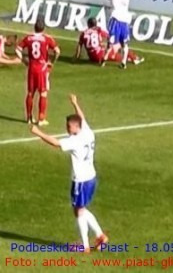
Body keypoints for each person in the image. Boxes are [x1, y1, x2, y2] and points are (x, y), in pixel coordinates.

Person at [30, 94, 109, 253]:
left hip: (81, 180)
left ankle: (85, 245)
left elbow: (55, 143)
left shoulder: (75, 141)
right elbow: (82, 117)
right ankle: (100, 236)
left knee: (79, 210)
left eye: (69, 127)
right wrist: (75, 103)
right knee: (80, 208)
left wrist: (38, 132)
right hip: (91, 177)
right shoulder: (88, 132)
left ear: (76, 127)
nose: (67, 129)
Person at [16, 19, 60, 126]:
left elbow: (17, 49)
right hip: (42, 68)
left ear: (34, 27)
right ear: (43, 28)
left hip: (32, 67)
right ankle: (41, 119)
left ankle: (29, 118)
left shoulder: (28, 38)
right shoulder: (47, 38)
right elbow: (57, 51)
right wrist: (52, 61)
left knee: (30, 93)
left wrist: (23, 60)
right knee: (43, 93)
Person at [75, 18, 143, 66]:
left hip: (92, 58)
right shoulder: (98, 30)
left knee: (111, 49)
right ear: (96, 24)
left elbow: (79, 45)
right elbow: (109, 36)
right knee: (120, 44)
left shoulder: (84, 33)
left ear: (88, 24)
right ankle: (134, 58)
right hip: (101, 55)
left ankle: (130, 58)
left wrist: (77, 56)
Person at [105, 0, 132, 69]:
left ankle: (123, 62)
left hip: (124, 21)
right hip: (115, 20)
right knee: (110, 42)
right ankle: (104, 57)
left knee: (124, 43)